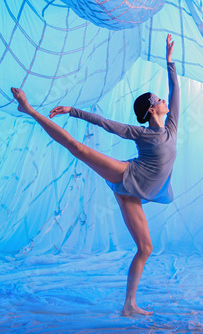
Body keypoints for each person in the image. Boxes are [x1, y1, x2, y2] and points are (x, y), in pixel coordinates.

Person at [10, 34, 178, 316]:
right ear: (151, 109)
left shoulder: (171, 125)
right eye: (159, 99)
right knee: (77, 147)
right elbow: (105, 123)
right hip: (127, 176)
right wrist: (72, 111)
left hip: (133, 193)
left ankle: (129, 305)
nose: (164, 100)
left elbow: (175, 91)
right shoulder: (140, 132)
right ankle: (27, 109)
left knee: (145, 248)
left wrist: (169, 61)